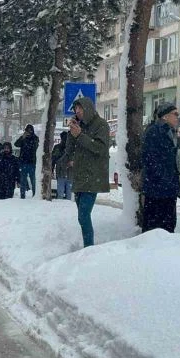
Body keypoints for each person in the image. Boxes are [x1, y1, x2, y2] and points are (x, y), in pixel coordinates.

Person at [65, 97, 110, 248]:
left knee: (83, 215)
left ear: (88, 108)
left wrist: (80, 135)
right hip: (79, 175)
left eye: (80, 108)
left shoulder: (101, 125)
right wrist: (72, 132)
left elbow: (100, 148)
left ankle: (89, 248)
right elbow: (70, 149)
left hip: (93, 176)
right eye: (75, 109)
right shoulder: (79, 125)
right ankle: (87, 247)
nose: (77, 111)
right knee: (81, 216)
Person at [141, 105, 180, 233]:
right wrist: (165, 179)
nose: (177, 117)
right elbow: (150, 160)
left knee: (167, 227)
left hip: (166, 190)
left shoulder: (169, 131)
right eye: (175, 114)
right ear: (165, 116)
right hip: (157, 190)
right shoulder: (155, 131)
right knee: (155, 229)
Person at [14, 124, 39, 199]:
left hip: (32, 163)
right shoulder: (23, 138)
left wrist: (31, 138)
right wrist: (22, 137)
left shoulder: (35, 138)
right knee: (23, 181)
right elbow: (16, 144)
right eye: (27, 130)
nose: (29, 132)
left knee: (33, 180)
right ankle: (22, 196)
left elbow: (36, 146)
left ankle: (35, 195)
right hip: (23, 162)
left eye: (30, 130)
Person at [51, 131, 73, 200]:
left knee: (69, 196)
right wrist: (51, 170)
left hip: (70, 174)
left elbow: (77, 160)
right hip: (61, 174)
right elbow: (53, 160)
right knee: (60, 195)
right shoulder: (57, 147)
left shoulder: (72, 148)